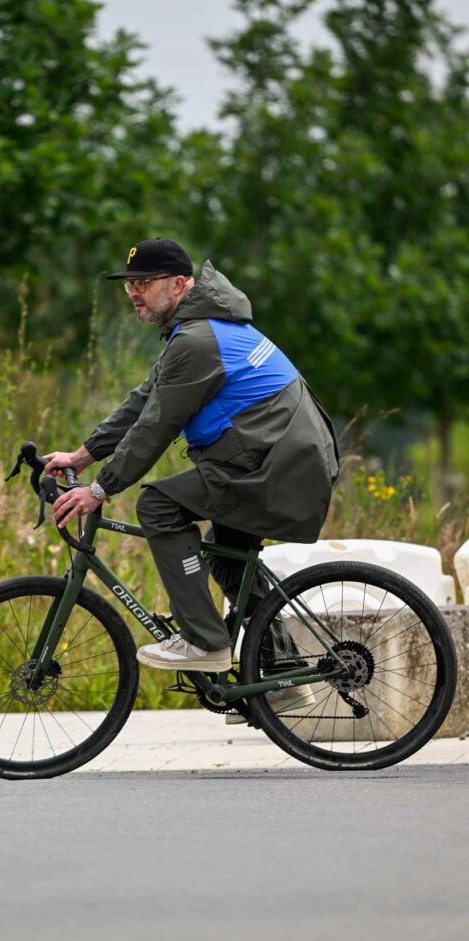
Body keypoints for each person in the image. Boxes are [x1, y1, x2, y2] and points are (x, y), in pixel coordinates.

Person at [44, 238, 339, 674]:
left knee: (158, 505)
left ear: (179, 284)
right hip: (275, 459)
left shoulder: (199, 341)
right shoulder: (198, 331)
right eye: (129, 285)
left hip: (277, 465)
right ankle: (282, 672)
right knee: (224, 551)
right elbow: (144, 401)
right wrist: (82, 456)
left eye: (144, 282)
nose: (133, 293)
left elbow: (156, 425)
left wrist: (101, 489)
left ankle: (205, 643)